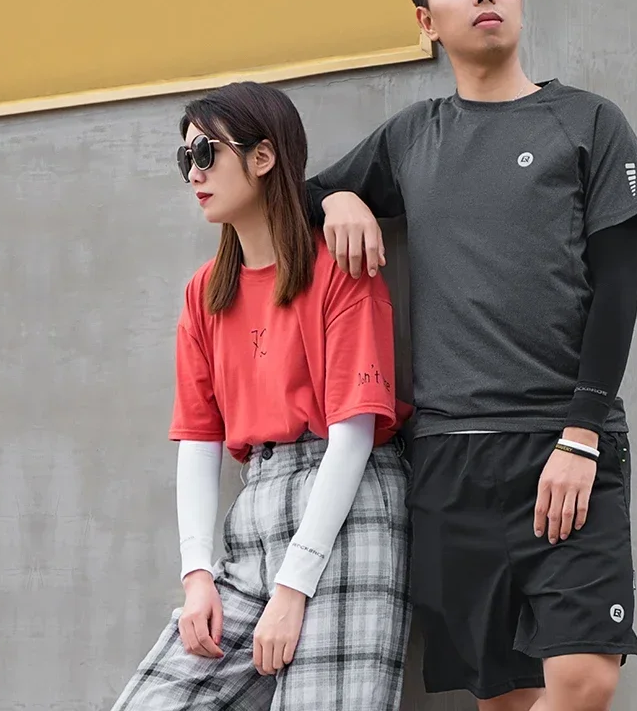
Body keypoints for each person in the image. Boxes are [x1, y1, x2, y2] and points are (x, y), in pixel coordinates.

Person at [306, 0, 637, 711]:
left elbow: (619, 288)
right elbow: (302, 195)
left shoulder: (589, 124)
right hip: (449, 458)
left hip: (564, 441)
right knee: (500, 695)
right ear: (427, 20)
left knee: (583, 678)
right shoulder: (412, 136)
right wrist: (341, 198)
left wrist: (582, 434)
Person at [112, 81, 413, 711]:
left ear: (263, 157)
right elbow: (199, 439)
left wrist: (294, 588)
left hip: (348, 509)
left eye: (206, 153)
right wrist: (197, 575)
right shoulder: (205, 293)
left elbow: (353, 436)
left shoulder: (337, 269)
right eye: (185, 158)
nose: (194, 173)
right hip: (255, 509)